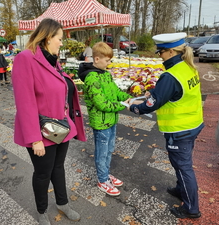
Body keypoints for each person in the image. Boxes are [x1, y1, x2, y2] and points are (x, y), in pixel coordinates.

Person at [12, 18, 86, 225]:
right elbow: (25, 102)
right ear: (47, 37)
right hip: (40, 130)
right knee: (43, 173)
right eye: (59, 39)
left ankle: (62, 204)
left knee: (59, 167)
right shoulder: (25, 59)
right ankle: (42, 210)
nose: (61, 43)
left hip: (60, 127)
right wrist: (34, 139)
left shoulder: (53, 60)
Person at [125, 32, 204, 219]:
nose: (158, 56)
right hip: (192, 124)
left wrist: (132, 107)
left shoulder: (170, 76)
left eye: (160, 52)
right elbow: (172, 92)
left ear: (170, 52)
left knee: (183, 167)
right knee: (180, 164)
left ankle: (191, 208)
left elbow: (149, 106)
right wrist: (153, 92)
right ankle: (180, 189)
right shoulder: (187, 67)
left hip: (180, 129)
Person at [78, 42, 131, 196]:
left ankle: (106, 175)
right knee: (102, 153)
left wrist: (132, 99)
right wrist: (123, 105)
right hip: (101, 123)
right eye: (107, 61)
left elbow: (116, 92)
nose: (109, 63)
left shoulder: (105, 74)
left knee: (109, 150)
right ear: (96, 59)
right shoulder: (91, 78)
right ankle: (102, 180)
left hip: (111, 120)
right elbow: (102, 104)